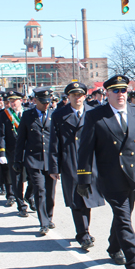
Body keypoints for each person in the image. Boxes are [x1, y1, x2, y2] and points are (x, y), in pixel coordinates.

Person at [77, 75, 135, 269]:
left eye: (124, 91)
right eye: (116, 91)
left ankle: (113, 246)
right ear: (107, 93)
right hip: (110, 178)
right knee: (124, 218)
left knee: (123, 217)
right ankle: (134, 264)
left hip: (134, 177)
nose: (121, 95)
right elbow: (85, 150)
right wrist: (83, 179)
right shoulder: (96, 116)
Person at [49, 82, 105, 250]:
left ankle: (84, 230)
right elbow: (54, 142)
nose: (77, 98)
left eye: (80, 94)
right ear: (68, 97)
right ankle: (82, 233)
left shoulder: (93, 113)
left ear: (85, 96)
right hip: (70, 160)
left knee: (87, 196)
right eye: (73, 95)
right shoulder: (59, 115)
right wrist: (54, 167)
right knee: (76, 199)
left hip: (90, 161)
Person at [14, 88, 56, 235]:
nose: (46, 105)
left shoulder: (54, 115)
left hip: (51, 161)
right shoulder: (27, 116)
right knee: (40, 190)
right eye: (43, 102)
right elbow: (21, 140)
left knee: (50, 192)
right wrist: (17, 160)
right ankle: (43, 222)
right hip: (34, 159)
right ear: (35, 101)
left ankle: (49, 217)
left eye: (48, 102)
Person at [0, 91, 35, 214]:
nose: (12, 103)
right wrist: (1, 152)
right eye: (10, 101)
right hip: (12, 151)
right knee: (17, 179)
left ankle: (29, 195)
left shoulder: (29, 113)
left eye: (15, 100)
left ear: (21, 100)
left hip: (29, 150)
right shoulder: (4, 115)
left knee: (33, 177)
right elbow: (1, 135)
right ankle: (21, 206)